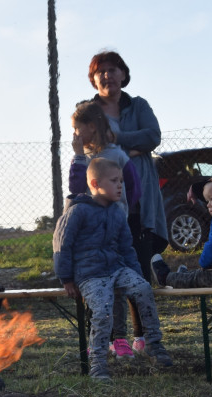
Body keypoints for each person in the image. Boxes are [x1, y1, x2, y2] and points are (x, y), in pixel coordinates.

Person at [53, 158, 173, 381]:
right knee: (103, 308)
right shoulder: (78, 212)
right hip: (90, 274)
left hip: (116, 269)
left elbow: (126, 248)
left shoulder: (118, 211)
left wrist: (135, 274)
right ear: (96, 183)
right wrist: (66, 278)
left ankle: (154, 344)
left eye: (121, 181)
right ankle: (98, 362)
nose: (120, 185)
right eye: (114, 181)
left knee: (143, 288)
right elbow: (62, 244)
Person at [88, 50, 169, 358]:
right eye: (101, 71)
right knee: (108, 268)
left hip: (139, 200)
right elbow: (90, 144)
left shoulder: (139, 105)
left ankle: (144, 337)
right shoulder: (87, 110)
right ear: (94, 78)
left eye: (113, 69)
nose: (107, 75)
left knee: (138, 266)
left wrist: (116, 141)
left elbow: (153, 136)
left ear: (123, 74)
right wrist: (130, 150)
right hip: (105, 204)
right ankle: (114, 338)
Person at [67, 101, 142, 360]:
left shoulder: (117, 155)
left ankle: (119, 338)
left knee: (116, 284)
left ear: (91, 126)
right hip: (88, 236)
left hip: (114, 233)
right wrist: (78, 157)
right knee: (93, 287)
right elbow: (77, 189)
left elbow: (133, 188)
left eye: (77, 128)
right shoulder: (82, 158)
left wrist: (119, 212)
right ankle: (97, 340)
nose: (75, 134)